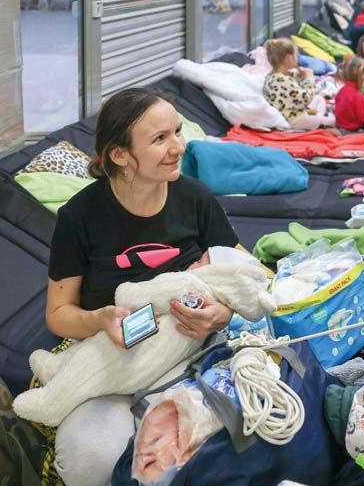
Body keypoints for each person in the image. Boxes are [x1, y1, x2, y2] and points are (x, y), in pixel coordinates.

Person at [46, 87, 240, 485]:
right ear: (120, 155)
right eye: (159, 139)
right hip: (113, 361)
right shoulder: (79, 217)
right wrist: (100, 319)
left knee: (221, 445)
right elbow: (58, 314)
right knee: (90, 460)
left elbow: (241, 271)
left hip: (193, 353)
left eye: (177, 132)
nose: (178, 147)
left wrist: (222, 314)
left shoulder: (195, 198)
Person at [263, 38, 334, 130]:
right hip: (294, 119)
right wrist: (309, 79)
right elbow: (305, 99)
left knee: (318, 99)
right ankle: (319, 121)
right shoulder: (282, 80)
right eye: (296, 55)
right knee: (332, 120)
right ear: (289, 58)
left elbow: (290, 90)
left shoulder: (273, 76)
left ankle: (317, 119)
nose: (297, 58)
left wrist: (299, 77)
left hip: (293, 109)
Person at [334, 57, 364, 131]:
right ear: (363, 77)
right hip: (354, 129)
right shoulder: (360, 96)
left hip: (340, 125)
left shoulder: (341, 91)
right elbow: (363, 118)